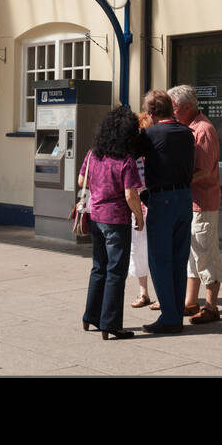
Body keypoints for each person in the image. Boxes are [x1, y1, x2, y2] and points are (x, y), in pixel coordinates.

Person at [79, 106, 146, 340]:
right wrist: (139, 217)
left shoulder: (93, 154)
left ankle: (91, 315)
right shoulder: (126, 160)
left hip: (95, 216)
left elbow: (81, 180)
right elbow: (130, 195)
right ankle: (111, 324)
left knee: (99, 267)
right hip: (116, 220)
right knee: (116, 272)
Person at [137, 89, 194, 335]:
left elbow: (131, 157)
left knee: (160, 259)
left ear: (151, 113)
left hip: (162, 198)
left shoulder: (149, 135)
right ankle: (175, 314)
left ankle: (169, 317)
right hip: (185, 197)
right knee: (179, 259)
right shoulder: (187, 133)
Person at [171, 85, 222, 324]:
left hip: (202, 202)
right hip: (191, 202)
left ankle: (211, 306)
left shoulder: (203, 130)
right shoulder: (188, 127)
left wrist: (176, 181)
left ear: (187, 107)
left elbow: (204, 171)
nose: (171, 112)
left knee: (206, 253)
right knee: (192, 254)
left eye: (174, 107)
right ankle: (190, 302)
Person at [129, 111, 153, 309]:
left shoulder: (154, 153)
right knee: (138, 250)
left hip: (152, 205)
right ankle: (143, 291)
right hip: (138, 207)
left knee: (155, 250)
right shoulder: (134, 155)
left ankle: (160, 293)